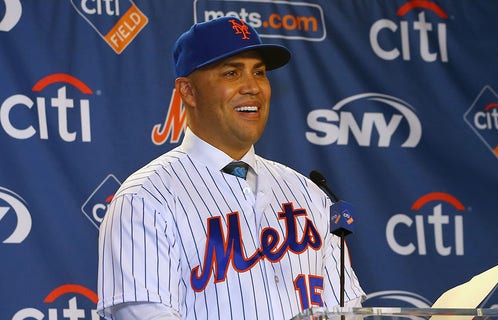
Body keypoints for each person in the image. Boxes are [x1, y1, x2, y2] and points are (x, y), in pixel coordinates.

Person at [97, 16, 365, 320]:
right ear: (188, 91)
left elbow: (347, 311)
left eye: (260, 72)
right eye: (232, 72)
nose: (252, 87)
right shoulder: (145, 200)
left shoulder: (309, 194)